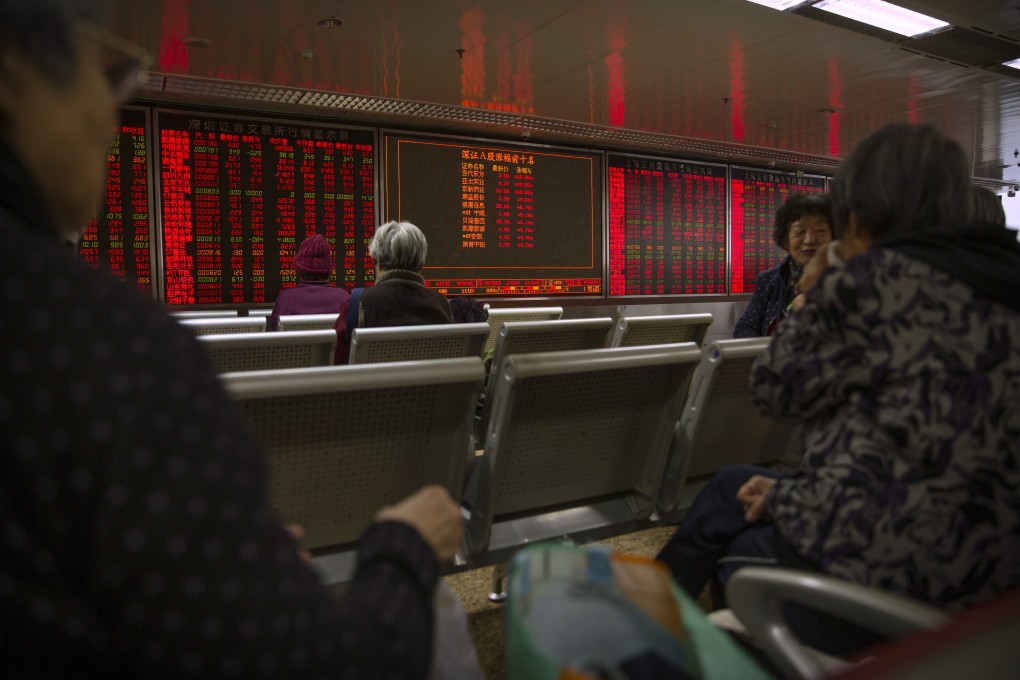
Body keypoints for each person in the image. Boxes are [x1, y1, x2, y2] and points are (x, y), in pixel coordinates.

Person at [0, 1, 462, 676]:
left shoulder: (80, 340)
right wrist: (404, 546)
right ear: (13, 79)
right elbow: (310, 660)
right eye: (103, 73)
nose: (110, 114)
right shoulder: (107, 344)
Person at [657, 123, 1020, 636]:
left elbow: (774, 391)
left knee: (736, 546)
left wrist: (815, 290)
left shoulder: (868, 283)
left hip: (898, 575)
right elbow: (927, 450)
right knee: (734, 487)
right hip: (993, 580)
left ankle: (658, 639)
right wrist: (792, 494)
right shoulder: (1001, 279)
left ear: (859, 211)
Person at [334, 220, 453, 364]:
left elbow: (337, 360)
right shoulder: (442, 304)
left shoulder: (357, 303)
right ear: (421, 263)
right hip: (429, 379)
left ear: (378, 261)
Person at [733, 192, 833, 337]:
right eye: (800, 232)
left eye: (820, 231)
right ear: (786, 240)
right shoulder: (768, 280)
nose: (809, 240)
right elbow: (745, 327)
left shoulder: (849, 280)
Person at [266, 233, 348, 331]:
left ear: (299, 270)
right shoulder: (343, 298)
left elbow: (274, 333)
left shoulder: (285, 299)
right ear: (329, 270)